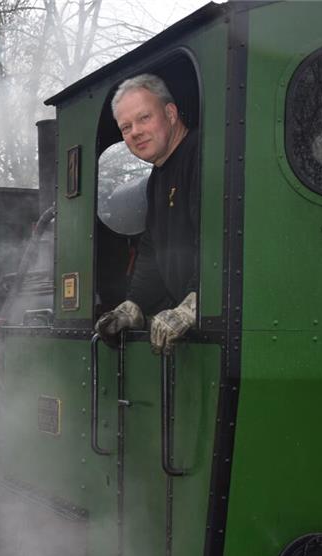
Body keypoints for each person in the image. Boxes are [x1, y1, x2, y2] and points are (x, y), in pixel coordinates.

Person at [96, 73, 200, 354]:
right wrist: (134, 305)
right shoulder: (158, 177)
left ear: (170, 113)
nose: (135, 132)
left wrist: (195, 305)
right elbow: (154, 248)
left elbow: (221, 239)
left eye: (144, 118)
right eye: (126, 127)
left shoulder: (201, 154)